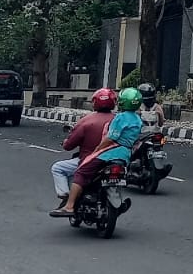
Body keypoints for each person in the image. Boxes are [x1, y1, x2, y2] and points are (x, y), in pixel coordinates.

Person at [51, 87, 143, 218]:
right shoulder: (137, 119)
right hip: (125, 155)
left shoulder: (94, 120)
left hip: (109, 152)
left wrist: (98, 149)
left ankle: (69, 206)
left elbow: (111, 138)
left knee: (81, 172)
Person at [51, 88, 115, 203]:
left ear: (94, 102)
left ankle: (67, 197)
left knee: (58, 168)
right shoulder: (119, 120)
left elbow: (69, 145)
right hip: (114, 160)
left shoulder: (86, 121)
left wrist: (66, 142)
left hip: (89, 160)